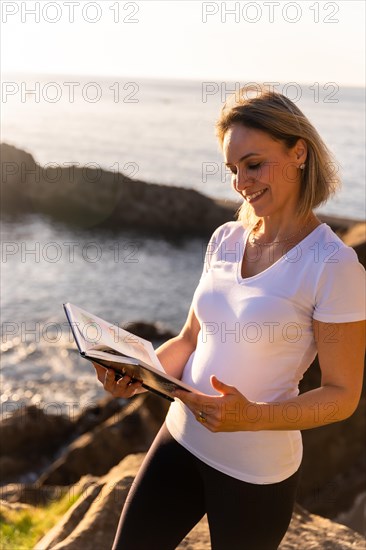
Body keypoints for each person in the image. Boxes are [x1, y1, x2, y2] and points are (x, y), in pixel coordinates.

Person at [93, 85, 365, 550]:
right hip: (180, 438)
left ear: (298, 152)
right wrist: (142, 372)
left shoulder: (334, 265)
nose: (241, 182)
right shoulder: (224, 238)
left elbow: (342, 396)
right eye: (233, 169)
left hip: (255, 473)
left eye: (254, 164)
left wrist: (253, 417)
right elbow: (190, 338)